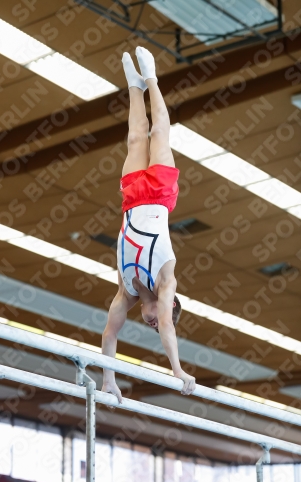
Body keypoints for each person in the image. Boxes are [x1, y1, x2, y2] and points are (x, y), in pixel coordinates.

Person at [101, 46, 196, 403]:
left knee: (135, 138)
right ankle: (152, 77)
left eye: (151, 323)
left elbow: (109, 336)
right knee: (159, 134)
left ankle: (133, 87)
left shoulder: (124, 292)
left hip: (131, 198)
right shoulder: (167, 279)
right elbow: (169, 327)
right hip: (158, 194)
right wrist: (177, 370)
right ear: (170, 305)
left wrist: (109, 378)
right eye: (159, 321)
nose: (154, 324)